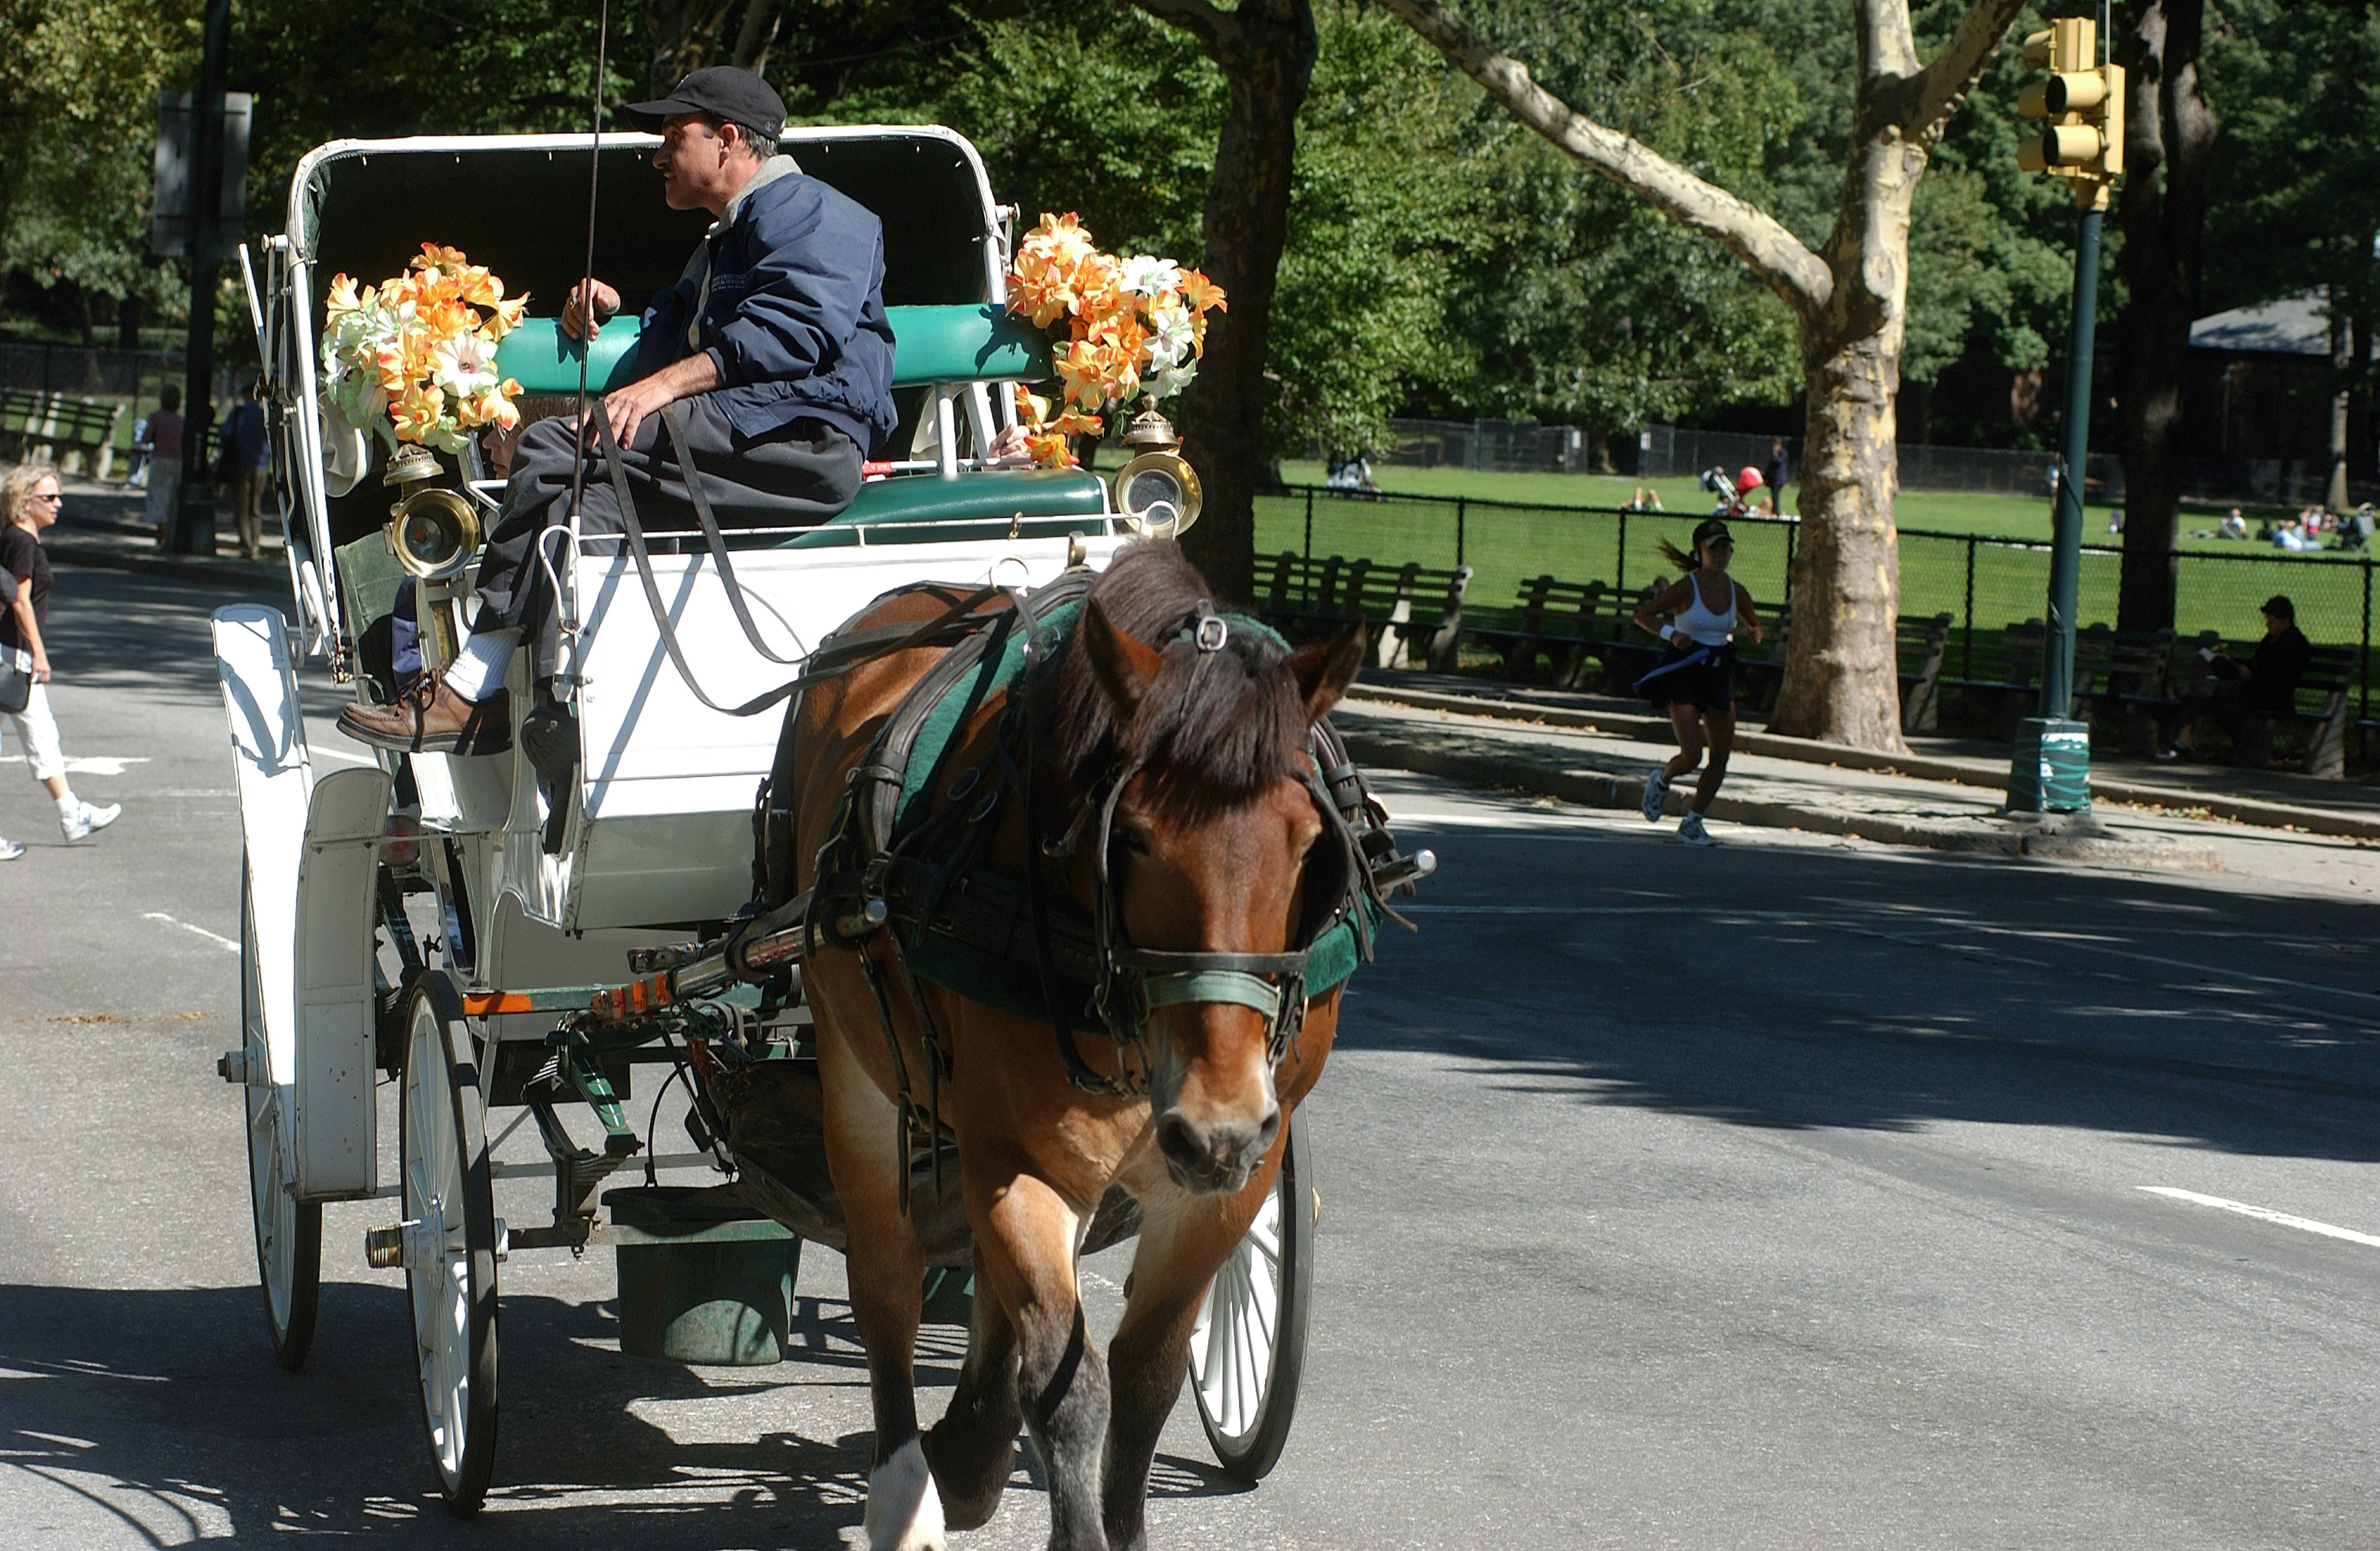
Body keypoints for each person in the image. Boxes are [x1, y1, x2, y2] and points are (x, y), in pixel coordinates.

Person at [338, 66, 897, 759]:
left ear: (726, 140)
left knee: (549, 449)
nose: (658, 155)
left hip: (797, 443)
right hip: (745, 442)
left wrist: (659, 388)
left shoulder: (813, 209)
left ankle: (467, 694)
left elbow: (793, 332)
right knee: (583, 516)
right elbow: (687, 345)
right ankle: (560, 716)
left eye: (672, 135)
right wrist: (603, 308)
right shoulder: (725, 239)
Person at [1, 461, 123, 855]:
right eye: (49, 497)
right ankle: (71, 814)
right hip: (12, 656)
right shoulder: (21, 541)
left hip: (12, 654)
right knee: (42, 734)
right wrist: (38, 651)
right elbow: (20, 601)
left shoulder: (19, 538)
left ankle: (71, 814)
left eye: (59, 497)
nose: (58, 504)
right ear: (25, 502)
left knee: (43, 736)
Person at [1632, 517, 1764, 847]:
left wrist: (1754, 632)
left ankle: (1693, 822)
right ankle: (1661, 781)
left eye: (1725, 548)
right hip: (1686, 671)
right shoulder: (1686, 588)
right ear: (1699, 552)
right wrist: (1671, 633)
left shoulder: (1737, 591)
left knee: (1721, 756)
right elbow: (1643, 614)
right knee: (1692, 755)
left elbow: (1756, 626)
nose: (1720, 555)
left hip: (1718, 672)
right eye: (1712, 549)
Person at [2159, 594, 2312, 762]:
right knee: (2205, 683)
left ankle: (2186, 740)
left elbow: (2279, 677)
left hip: (2270, 698)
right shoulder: (2270, 640)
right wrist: (2234, 662)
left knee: (2205, 695)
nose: (2268, 624)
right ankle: (2189, 738)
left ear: (2286, 620)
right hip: (2251, 689)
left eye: (2272, 620)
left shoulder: (2296, 644)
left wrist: (2250, 673)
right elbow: (2256, 663)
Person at [219, 376, 270, 561]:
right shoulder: (264, 414)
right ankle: (256, 545)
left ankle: (246, 544)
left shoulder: (239, 413)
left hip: (240, 463)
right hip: (261, 465)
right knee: (256, 507)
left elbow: (225, 435)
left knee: (241, 507)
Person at [142, 384, 184, 544]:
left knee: (158, 498)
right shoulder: (181, 421)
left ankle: (161, 533)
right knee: (171, 498)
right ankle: (168, 533)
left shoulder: (155, 417)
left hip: (159, 461)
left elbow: (146, 438)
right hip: (176, 462)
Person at [1763, 437, 1790, 515]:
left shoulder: (1783, 453)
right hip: (1773, 479)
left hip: (1779, 479)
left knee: (1775, 495)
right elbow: (1770, 466)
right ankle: (1774, 511)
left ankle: (1776, 512)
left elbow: (1778, 463)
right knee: (1773, 495)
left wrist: (1775, 454)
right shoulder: (1773, 454)